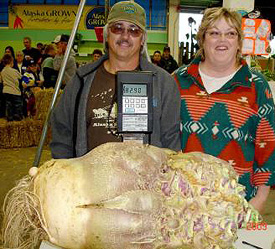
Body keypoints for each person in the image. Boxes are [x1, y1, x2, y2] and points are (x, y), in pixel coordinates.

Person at [174, 7, 275, 213]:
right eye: (214, 33)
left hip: (238, 207)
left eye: (230, 34)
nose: (223, 40)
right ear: (202, 40)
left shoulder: (256, 85)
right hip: (183, 206)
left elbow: (268, 145)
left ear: (239, 42)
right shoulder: (177, 80)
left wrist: (259, 201)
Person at [50, 1, 181, 159]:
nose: (125, 36)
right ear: (107, 34)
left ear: (143, 39)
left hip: (145, 181)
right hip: (91, 182)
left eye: (134, 30)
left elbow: (170, 143)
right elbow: (62, 133)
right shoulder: (81, 80)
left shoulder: (163, 83)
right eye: (117, 28)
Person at [0, 54, 23, 121]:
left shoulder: (2, 71)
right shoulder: (14, 71)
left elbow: (1, 81)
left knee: (9, 105)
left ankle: (9, 118)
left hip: (6, 91)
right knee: (17, 106)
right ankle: (18, 118)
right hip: (15, 91)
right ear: (11, 62)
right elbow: (21, 77)